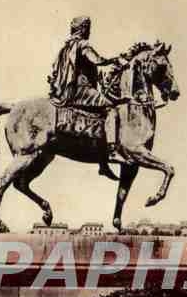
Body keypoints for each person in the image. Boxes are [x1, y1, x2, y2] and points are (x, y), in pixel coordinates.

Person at [48, 16, 127, 178]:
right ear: (83, 29)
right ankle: (111, 151)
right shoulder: (83, 45)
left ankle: (102, 164)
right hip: (82, 91)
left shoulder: (66, 46)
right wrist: (115, 60)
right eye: (88, 27)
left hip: (67, 91)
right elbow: (97, 60)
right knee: (111, 109)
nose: (89, 31)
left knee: (98, 118)